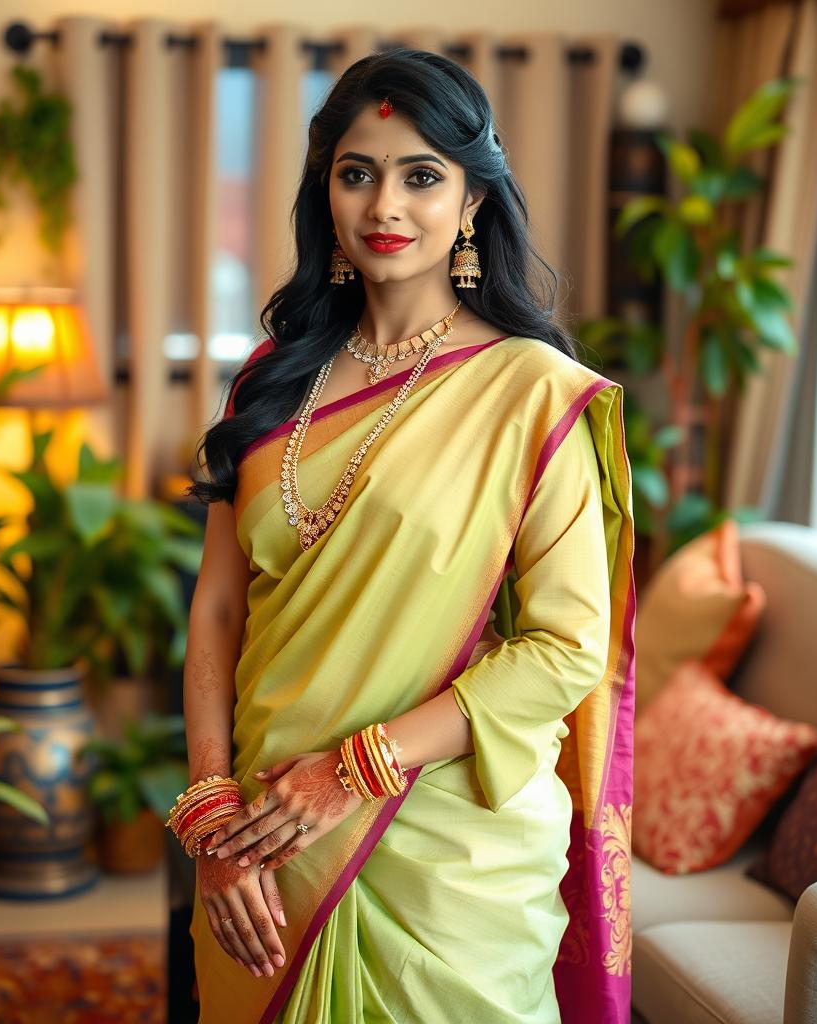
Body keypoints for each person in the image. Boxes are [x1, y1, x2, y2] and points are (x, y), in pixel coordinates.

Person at [171, 46, 635, 1024]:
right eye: (357, 172)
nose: (385, 205)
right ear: (325, 193)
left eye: (421, 176)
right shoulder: (270, 378)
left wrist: (355, 767)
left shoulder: (531, 393)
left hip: (442, 852)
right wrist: (211, 808)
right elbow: (216, 606)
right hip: (260, 832)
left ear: (472, 202)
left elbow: (565, 647)